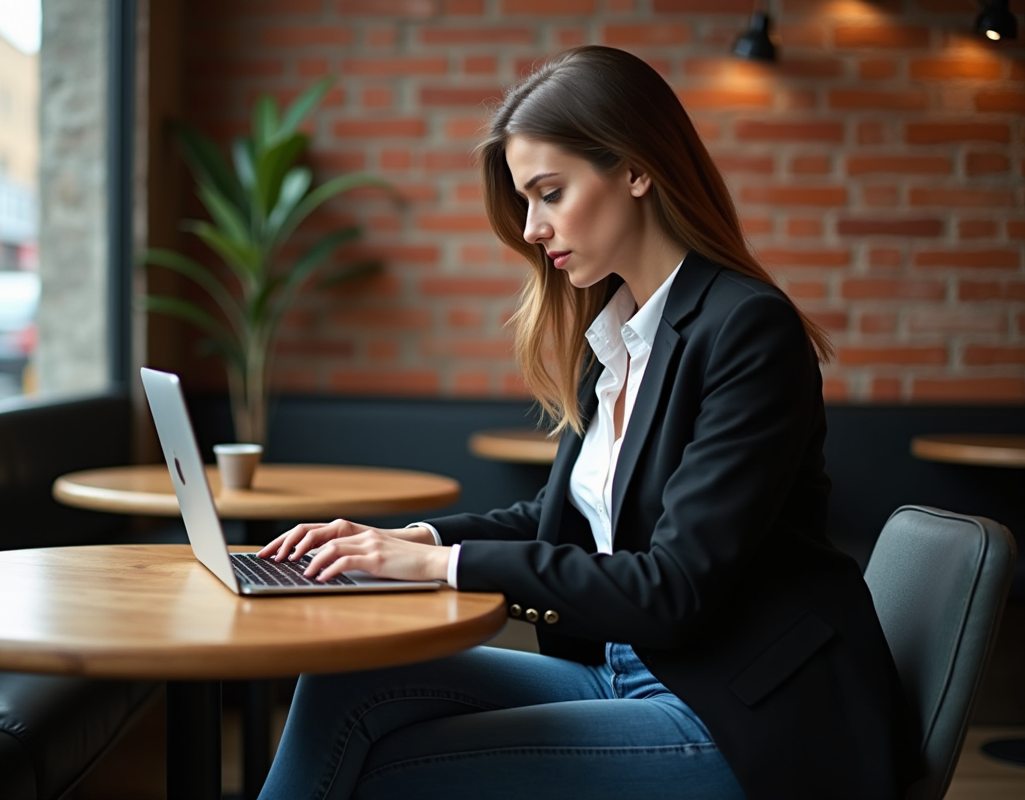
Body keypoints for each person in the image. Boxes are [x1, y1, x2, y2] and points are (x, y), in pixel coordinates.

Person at [256, 46, 919, 800]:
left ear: (635, 170)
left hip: (739, 715)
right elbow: (563, 518)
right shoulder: (617, 336)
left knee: (390, 776)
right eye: (525, 202)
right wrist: (413, 541)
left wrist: (442, 569)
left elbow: (672, 586)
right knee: (343, 679)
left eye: (550, 193)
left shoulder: (746, 329)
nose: (531, 228)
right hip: (620, 669)